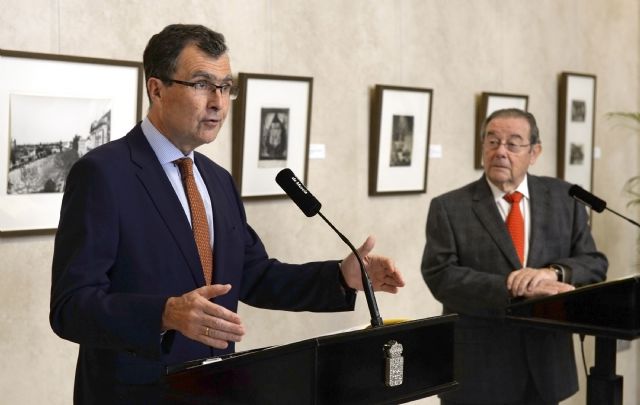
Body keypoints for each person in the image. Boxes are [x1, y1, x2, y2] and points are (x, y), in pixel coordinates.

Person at [49, 24, 405, 404]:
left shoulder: (217, 180)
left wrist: (340, 276)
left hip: (216, 390)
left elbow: (253, 274)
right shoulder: (103, 174)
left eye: (225, 86)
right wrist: (165, 313)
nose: (218, 102)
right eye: (202, 84)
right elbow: (71, 307)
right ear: (156, 89)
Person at [421, 108, 608, 405]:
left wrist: (553, 273)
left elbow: (594, 263)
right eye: (492, 141)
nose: (500, 151)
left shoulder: (565, 198)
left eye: (513, 143)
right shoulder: (450, 207)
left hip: (546, 365)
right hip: (479, 368)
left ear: (534, 152)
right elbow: (441, 276)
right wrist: (512, 286)